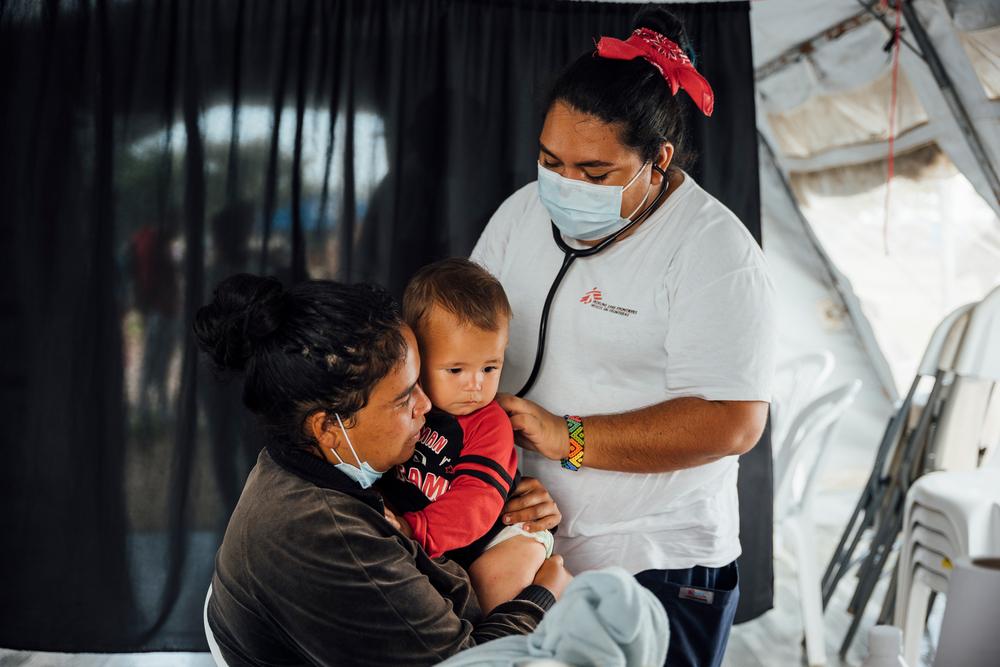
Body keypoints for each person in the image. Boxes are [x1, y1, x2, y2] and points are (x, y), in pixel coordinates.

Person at [470, 8, 775, 667]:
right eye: (550, 161)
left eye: (596, 172)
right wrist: (485, 477)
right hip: (526, 546)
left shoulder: (714, 252)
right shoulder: (520, 216)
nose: (564, 185)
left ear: (657, 162)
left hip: (655, 564)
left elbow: (734, 420)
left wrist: (567, 437)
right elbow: (461, 337)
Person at [197, 273, 571, 666]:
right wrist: (543, 596)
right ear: (328, 427)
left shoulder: (303, 459)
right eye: (404, 397)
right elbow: (467, 663)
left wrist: (508, 510)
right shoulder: (330, 536)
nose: (426, 406)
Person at [380, 258, 555, 614]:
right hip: (435, 540)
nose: (476, 385)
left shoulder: (489, 423)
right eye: (456, 369)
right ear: (416, 356)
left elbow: (477, 501)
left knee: (489, 590)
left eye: (490, 367)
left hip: (500, 536)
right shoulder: (401, 408)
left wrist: (416, 531)